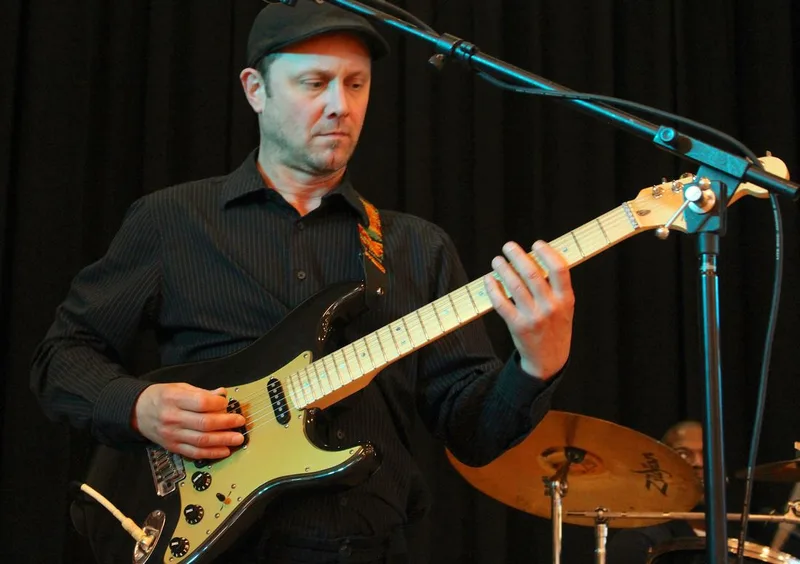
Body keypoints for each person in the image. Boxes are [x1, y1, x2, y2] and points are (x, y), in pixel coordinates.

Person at [29, 3, 575, 563]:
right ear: (255, 89)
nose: (341, 105)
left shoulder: (418, 247)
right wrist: (138, 405)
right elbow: (62, 358)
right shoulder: (172, 222)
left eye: (356, 84)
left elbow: (474, 435)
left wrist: (537, 364)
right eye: (314, 83)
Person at [607, 421, 705, 563]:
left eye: (707, 454)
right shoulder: (640, 539)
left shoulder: (735, 538)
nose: (699, 463)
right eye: (683, 455)